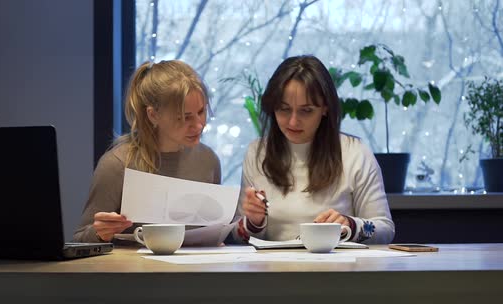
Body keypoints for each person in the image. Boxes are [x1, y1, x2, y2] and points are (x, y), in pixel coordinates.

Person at [229, 55, 394, 244]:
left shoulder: (355, 153)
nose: (293, 121)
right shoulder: (257, 152)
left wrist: (351, 225)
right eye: (283, 109)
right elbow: (236, 235)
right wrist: (253, 223)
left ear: (325, 108)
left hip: (336, 270)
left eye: (306, 111)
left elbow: (385, 229)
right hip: (273, 270)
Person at [73, 60, 221, 243]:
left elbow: (213, 232)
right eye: (184, 117)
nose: (198, 125)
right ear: (153, 115)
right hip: (133, 270)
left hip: (195, 270)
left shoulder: (208, 160)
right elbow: (79, 240)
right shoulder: (118, 164)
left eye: (201, 111)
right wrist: (99, 233)